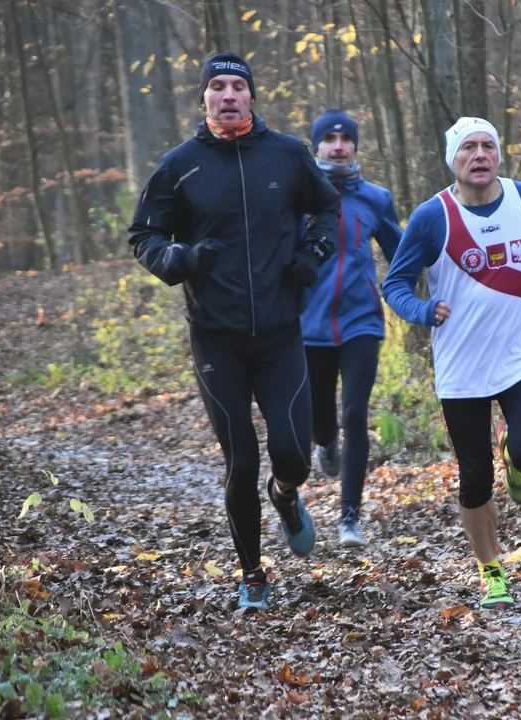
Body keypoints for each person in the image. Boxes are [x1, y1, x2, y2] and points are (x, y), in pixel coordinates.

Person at [128, 52, 341, 611]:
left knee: (292, 456)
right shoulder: (180, 165)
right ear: (203, 99)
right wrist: (178, 258)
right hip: (215, 335)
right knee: (241, 461)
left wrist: (312, 252)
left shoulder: (289, 155)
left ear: (251, 96)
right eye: (216, 86)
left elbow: (328, 209)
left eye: (237, 86)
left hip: (279, 332)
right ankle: (252, 575)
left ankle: (287, 495)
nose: (227, 95)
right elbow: (142, 234)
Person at [382, 117, 521, 610]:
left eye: (488, 146)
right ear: (453, 161)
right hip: (461, 363)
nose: (479, 155)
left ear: (499, 156)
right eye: (468, 148)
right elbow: (394, 283)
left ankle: (515, 450)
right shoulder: (432, 217)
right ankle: (491, 572)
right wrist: (422, 311)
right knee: (474, 475)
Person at [301, 109, 402, 548]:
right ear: (317, 146)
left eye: (345, 138)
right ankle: (325, 444)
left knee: (355, 414)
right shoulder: (297, 197)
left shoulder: (375, 198)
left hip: (362, 320)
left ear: (355, 146)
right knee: (320, 420)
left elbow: (404, 252)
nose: (338, 145)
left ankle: (349, 520)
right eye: (329, 139)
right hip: (309, 324)